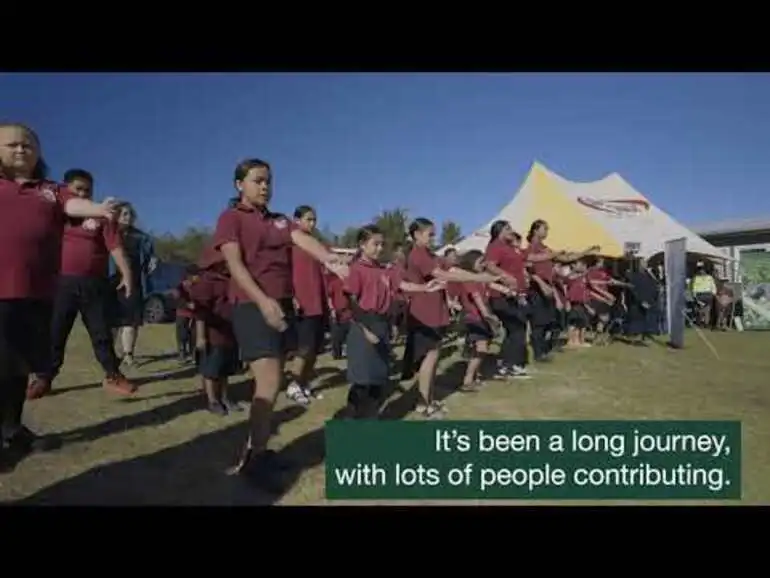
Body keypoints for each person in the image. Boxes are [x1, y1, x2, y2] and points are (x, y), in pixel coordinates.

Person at [212, 158, 347, 492]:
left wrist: (331, 260)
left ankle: (258, 451)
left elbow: (305, 242)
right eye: (258, 180)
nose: (265, 186)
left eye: (268, 180)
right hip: (253, 305)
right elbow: (235, 264)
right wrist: (263, 302)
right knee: (269, 383)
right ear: (239, 184)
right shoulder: (231, 218)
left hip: (281, 306)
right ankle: (252, 461)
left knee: (272, 384)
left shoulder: (280, 221)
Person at [0, 123, 117, 472]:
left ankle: (11, 428)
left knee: (20, 365)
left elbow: (75, 204)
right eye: (13, 145)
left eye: (29, 145)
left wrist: (99, 209)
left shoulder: (52, 190)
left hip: (37, 293)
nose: (22, 150)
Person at [27, 169, 136, 399]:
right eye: (78, 189)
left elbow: (115, 245)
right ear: (67, 190)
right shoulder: (54, 214)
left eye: (88, 190)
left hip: (94, 284)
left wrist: (126, 274)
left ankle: (113, 374)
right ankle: (44, 379)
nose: (84, 193)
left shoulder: (102, 216)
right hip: (61, 283)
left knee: (101, 332)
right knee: (55, 333)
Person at [401, 218, 499, 418]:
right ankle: (423, 403)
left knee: (433, 358)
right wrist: (479, 277)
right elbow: (444, 275)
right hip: (424, 313)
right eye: (430, 234)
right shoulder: (418, 255)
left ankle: (427, 398)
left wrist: (483, 277)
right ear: (417, 234)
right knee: (429, 358)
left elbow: (452, 270)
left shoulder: (429, 254)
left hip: (435, 312)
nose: (433, 238)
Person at [342, 225, 443, 418]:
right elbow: (352, 301)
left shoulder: (383, 270)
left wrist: (424, 288)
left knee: (378, 379)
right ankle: (352, 418)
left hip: (381, 324)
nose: (380, 248)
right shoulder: (356, 269)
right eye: (375, 244)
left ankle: (370, 418)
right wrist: (365, 329)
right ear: (362, 245)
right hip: (364, 323)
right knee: (362, 380)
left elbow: (402, 285)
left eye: (382, 244)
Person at [524, 219, 599, 361]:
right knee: (539, 323)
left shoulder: (546, 248)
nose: (547, 232)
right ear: (535, 230)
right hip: (537, 289)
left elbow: (565, 258)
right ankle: (539, 354)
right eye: (544, 229)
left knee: (554, 322)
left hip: (549, 289)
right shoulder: (531, 249)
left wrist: (585, 252)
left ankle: (546, 349)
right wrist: (541, 283)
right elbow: (529, 270)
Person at [187, 247, 243, 416]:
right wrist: (201, 336)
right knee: (211, 369)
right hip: (212, 333)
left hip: (229, 331)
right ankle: (213, 400)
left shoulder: (230, 280)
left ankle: (225, 397)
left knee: (225, 369)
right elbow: (200, 312)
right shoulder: (205, 282)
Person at [456, 250, 514, 391]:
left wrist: (510, 291)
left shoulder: (480, 278)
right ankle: (467, 381)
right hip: (474, 318)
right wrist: (488, 316)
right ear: (471, 263)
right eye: (480, 262)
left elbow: (493, 285)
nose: (483, 265)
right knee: (481, 348)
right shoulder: (469, 280)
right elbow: (476, 298)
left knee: (483, 348)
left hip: (481, 317)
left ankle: (475, 377)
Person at [287, 205, 327, 405]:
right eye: (308, 219)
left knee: (314, 349)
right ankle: (293, 385)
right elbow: (285, 273)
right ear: (297, 220)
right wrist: (292, 296)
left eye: (314, 220)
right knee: (303, 348)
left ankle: (305, 383)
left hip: (318, 303)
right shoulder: (291, 244)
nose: (312, 223)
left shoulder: (315, 245)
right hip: (303, 304)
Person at [110, 202, 157, 367]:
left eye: (130, 214)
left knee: (131, 321)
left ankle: (128, 355)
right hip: (111, 282)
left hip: (134, 282)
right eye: (124, 214)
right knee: (112, 321)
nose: (128, 217)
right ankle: (110, 355)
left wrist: (153, 260)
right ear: (116, 216)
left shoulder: (141, 237)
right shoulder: (108, 233)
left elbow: (150, 255)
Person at [483, 221, 531, 378]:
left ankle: (505, 363)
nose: (512, 231)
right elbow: (490, 265)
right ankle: (510, 364)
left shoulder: (509, 247)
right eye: (508, 229)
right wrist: (506, 277)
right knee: (517, 328)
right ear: (500, 231)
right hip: (501, 295)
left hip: (513, 295)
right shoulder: (495, 246)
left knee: (515, 329)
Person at [172, 265, 199, 364]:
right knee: (182, 333)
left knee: (194, 334)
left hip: (195, 313)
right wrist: (187, 304)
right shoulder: (180, 286)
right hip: (183, 312)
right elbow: (177, 298)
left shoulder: (199, 285)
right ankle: (182, 352)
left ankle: (194, 354)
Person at [564, 259, 593, 348]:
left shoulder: (584, 277)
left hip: (582, 302)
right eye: (580, 265)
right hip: (574, 303)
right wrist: (567, 301)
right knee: (573, 322)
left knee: (582, 323)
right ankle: (570, 341)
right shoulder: (570, 277)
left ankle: (580, 341)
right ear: (573, 265)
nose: (582, 267)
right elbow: (566, 287)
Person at [326, 263, 352, 360]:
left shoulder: (350, 283)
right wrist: (332, 309)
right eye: (345, 271)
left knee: (350, 334)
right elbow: (329, 297)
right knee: (337, 335)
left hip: (349, 312)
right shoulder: (334, 283)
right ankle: (337, 353)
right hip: (337, 312)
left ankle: (349, 351)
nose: (347, 273)